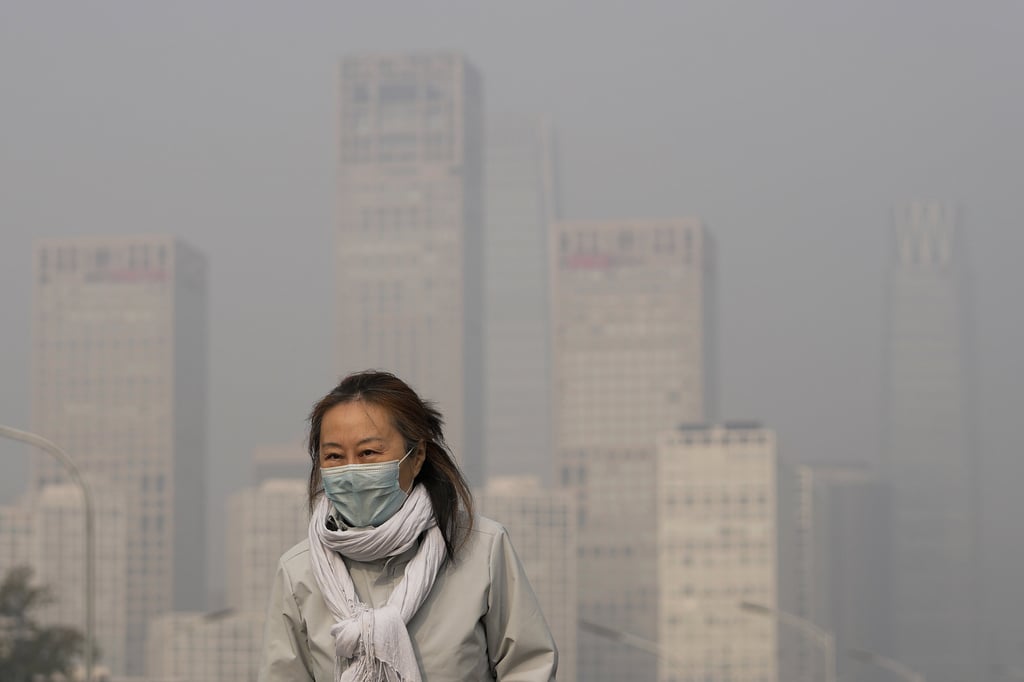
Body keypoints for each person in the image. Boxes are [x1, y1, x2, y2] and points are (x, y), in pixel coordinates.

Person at [258, 370, 558, 682]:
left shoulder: (481, 550)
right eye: (334, 456)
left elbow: (528, 668)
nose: (351, 471)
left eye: (368, 453)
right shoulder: (298, 572)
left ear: (416, 457)